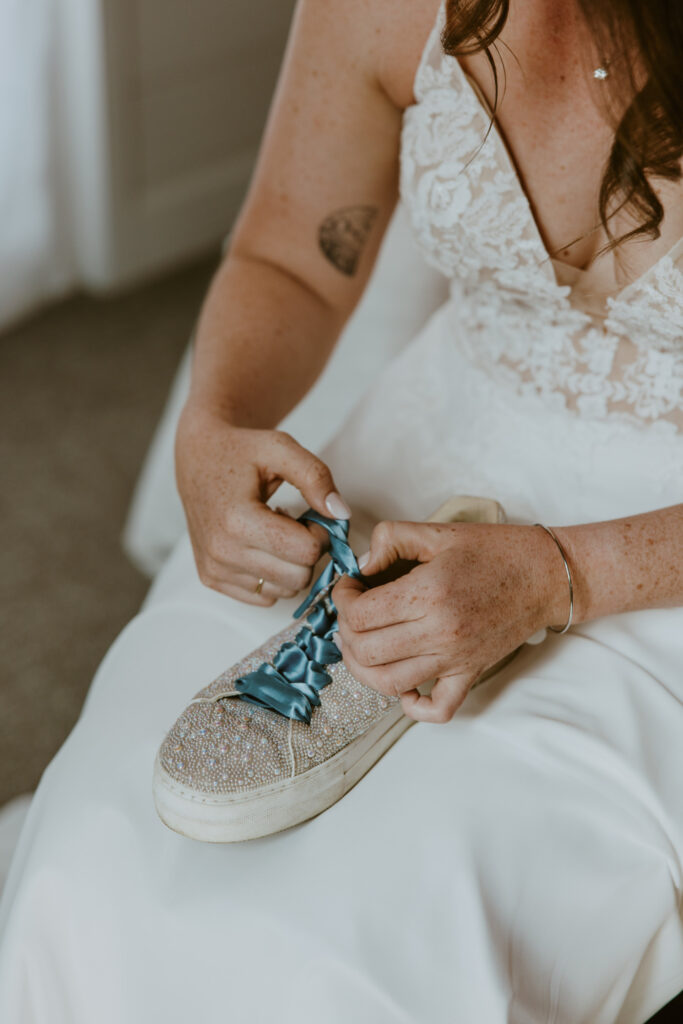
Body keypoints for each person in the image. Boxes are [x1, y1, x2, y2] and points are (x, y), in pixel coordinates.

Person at [1, 0, 682, 1020]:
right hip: (428, 445)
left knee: (355, 957)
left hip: (652, 560)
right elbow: (288, 253)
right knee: (97, 867)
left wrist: (557, 575)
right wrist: (215, 420)